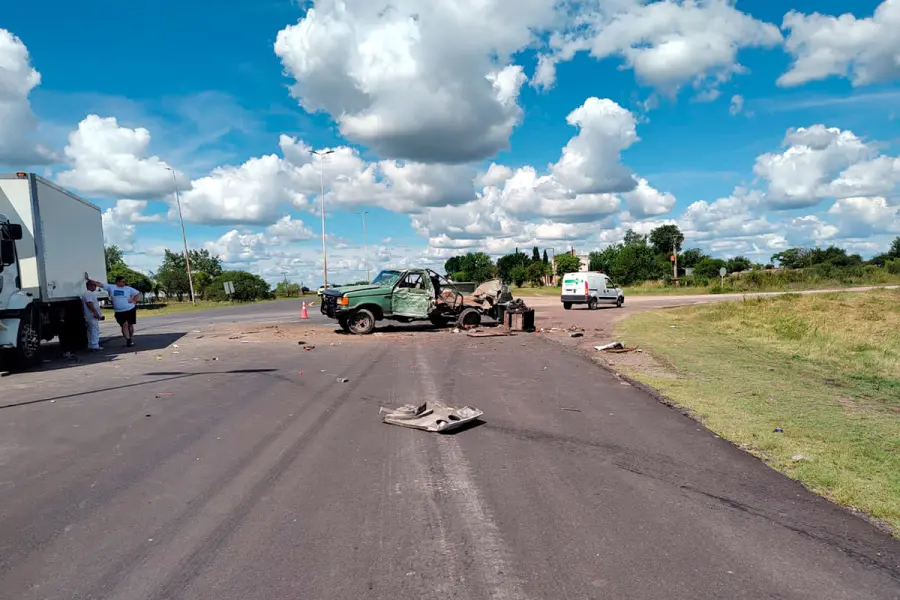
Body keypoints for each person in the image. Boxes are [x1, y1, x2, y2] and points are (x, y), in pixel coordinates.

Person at [85, 273, 141, 347]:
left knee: (130, 325)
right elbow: (99, 284)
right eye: (122, 282)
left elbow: (137, 293)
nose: (124, 283)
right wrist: (89, 279)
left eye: (124, 282)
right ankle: (128, 340)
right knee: (124, 324)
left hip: (130, 309)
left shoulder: (128, 288)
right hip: (119, 311)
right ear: (117, 282)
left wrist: (134, 301)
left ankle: (130, 338)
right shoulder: (111, 287)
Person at [82, 280, 105, 352]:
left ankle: (91, 345)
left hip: (90, 315)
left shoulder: (89, 293)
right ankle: (95, 345)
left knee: (90, 330)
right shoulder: (88, 293)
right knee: (94, 330)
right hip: (91, 315)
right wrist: (95, 312)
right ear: (89, 286)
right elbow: (89, 303)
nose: (95, 287)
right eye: (93, 285)